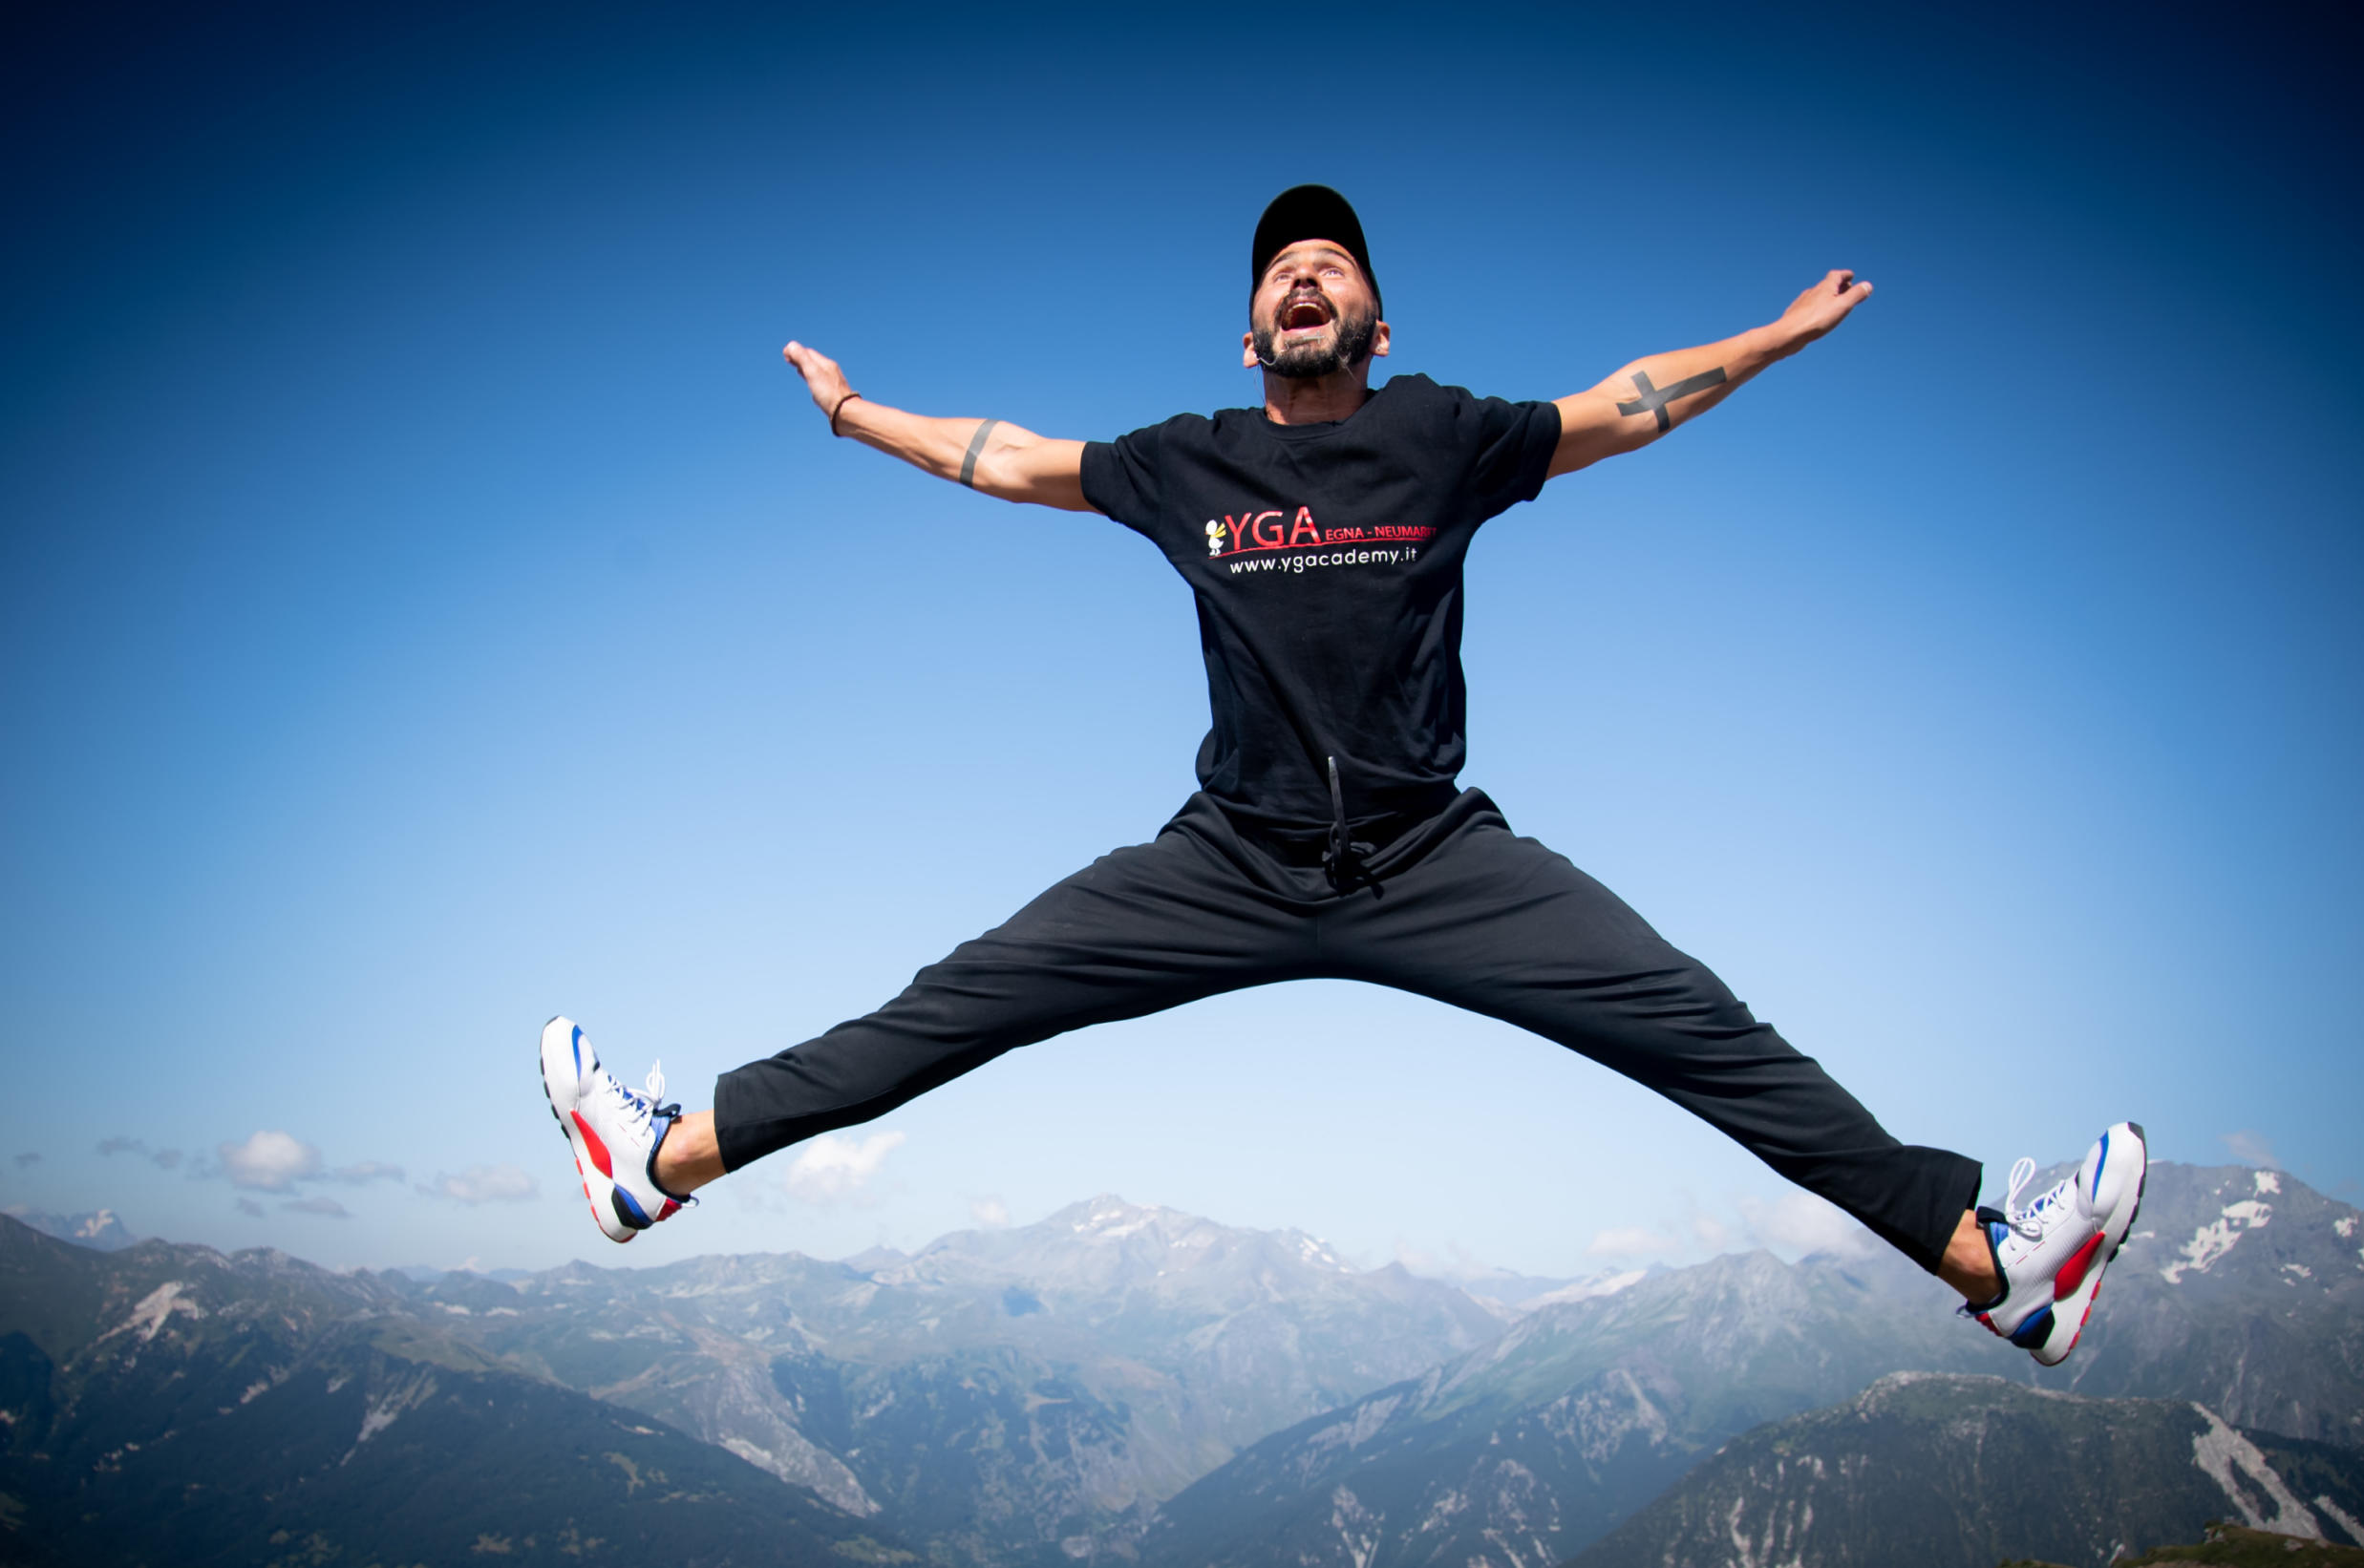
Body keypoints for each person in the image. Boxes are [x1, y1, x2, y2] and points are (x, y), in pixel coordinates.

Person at [538, 185, 2146, 1366]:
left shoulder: (1446, 436)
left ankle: (1995, 1266)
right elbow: (1009, 456)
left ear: (1380, 322)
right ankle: (655, 1165)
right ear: (1250, 333)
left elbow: (1627, 404)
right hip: (1227, 858)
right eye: (1280, 270)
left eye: (1334, 263)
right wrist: (854, 417)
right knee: (960, 1003)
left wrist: (1777, 338)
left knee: (1697, 1028)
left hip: (1434, 855)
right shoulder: (1185, 461)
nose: (1305, 275)